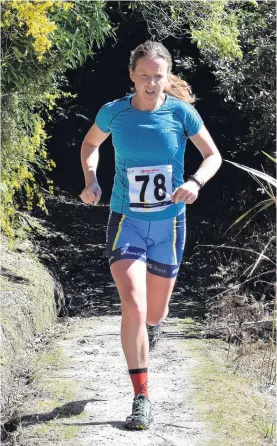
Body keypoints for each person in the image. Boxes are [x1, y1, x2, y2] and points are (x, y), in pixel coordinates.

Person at [80, 40, 222, 430]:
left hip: (170, 225)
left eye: (157, 76)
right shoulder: (115, 113)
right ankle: (141, 396)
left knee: (155, 314)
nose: (151, 83)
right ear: (131, 76)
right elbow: (90, 144)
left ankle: (151, 333)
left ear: (166, 76)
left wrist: (195, 181)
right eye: (144, 76)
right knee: (134, 305)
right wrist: (91, 180)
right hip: (126, 221)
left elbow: (213, 155)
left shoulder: (181, 113)